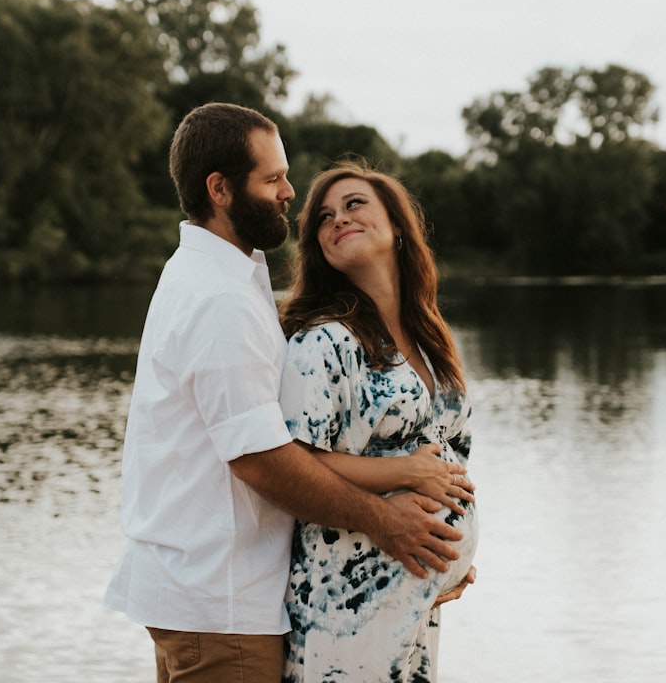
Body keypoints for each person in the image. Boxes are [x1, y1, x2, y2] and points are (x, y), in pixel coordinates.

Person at [104, 103, 473, 682]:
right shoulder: (220, 299)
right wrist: (389, 523)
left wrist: (443, 554)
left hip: (223, 599)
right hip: (222, 603)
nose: (288, 191)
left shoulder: (227, 281)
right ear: (220, 189)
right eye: (272, 177)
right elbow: (264, 461)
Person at [277, 162, 479, 682]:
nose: (338, 219)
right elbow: (296, 460)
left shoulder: (431, 337)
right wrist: (405, 474)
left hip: (416, 589)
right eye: (323, 217)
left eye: (353, 204)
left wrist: (454, 557)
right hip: (347, 596)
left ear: (396, 224)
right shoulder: (323, 342)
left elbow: (453, 457)